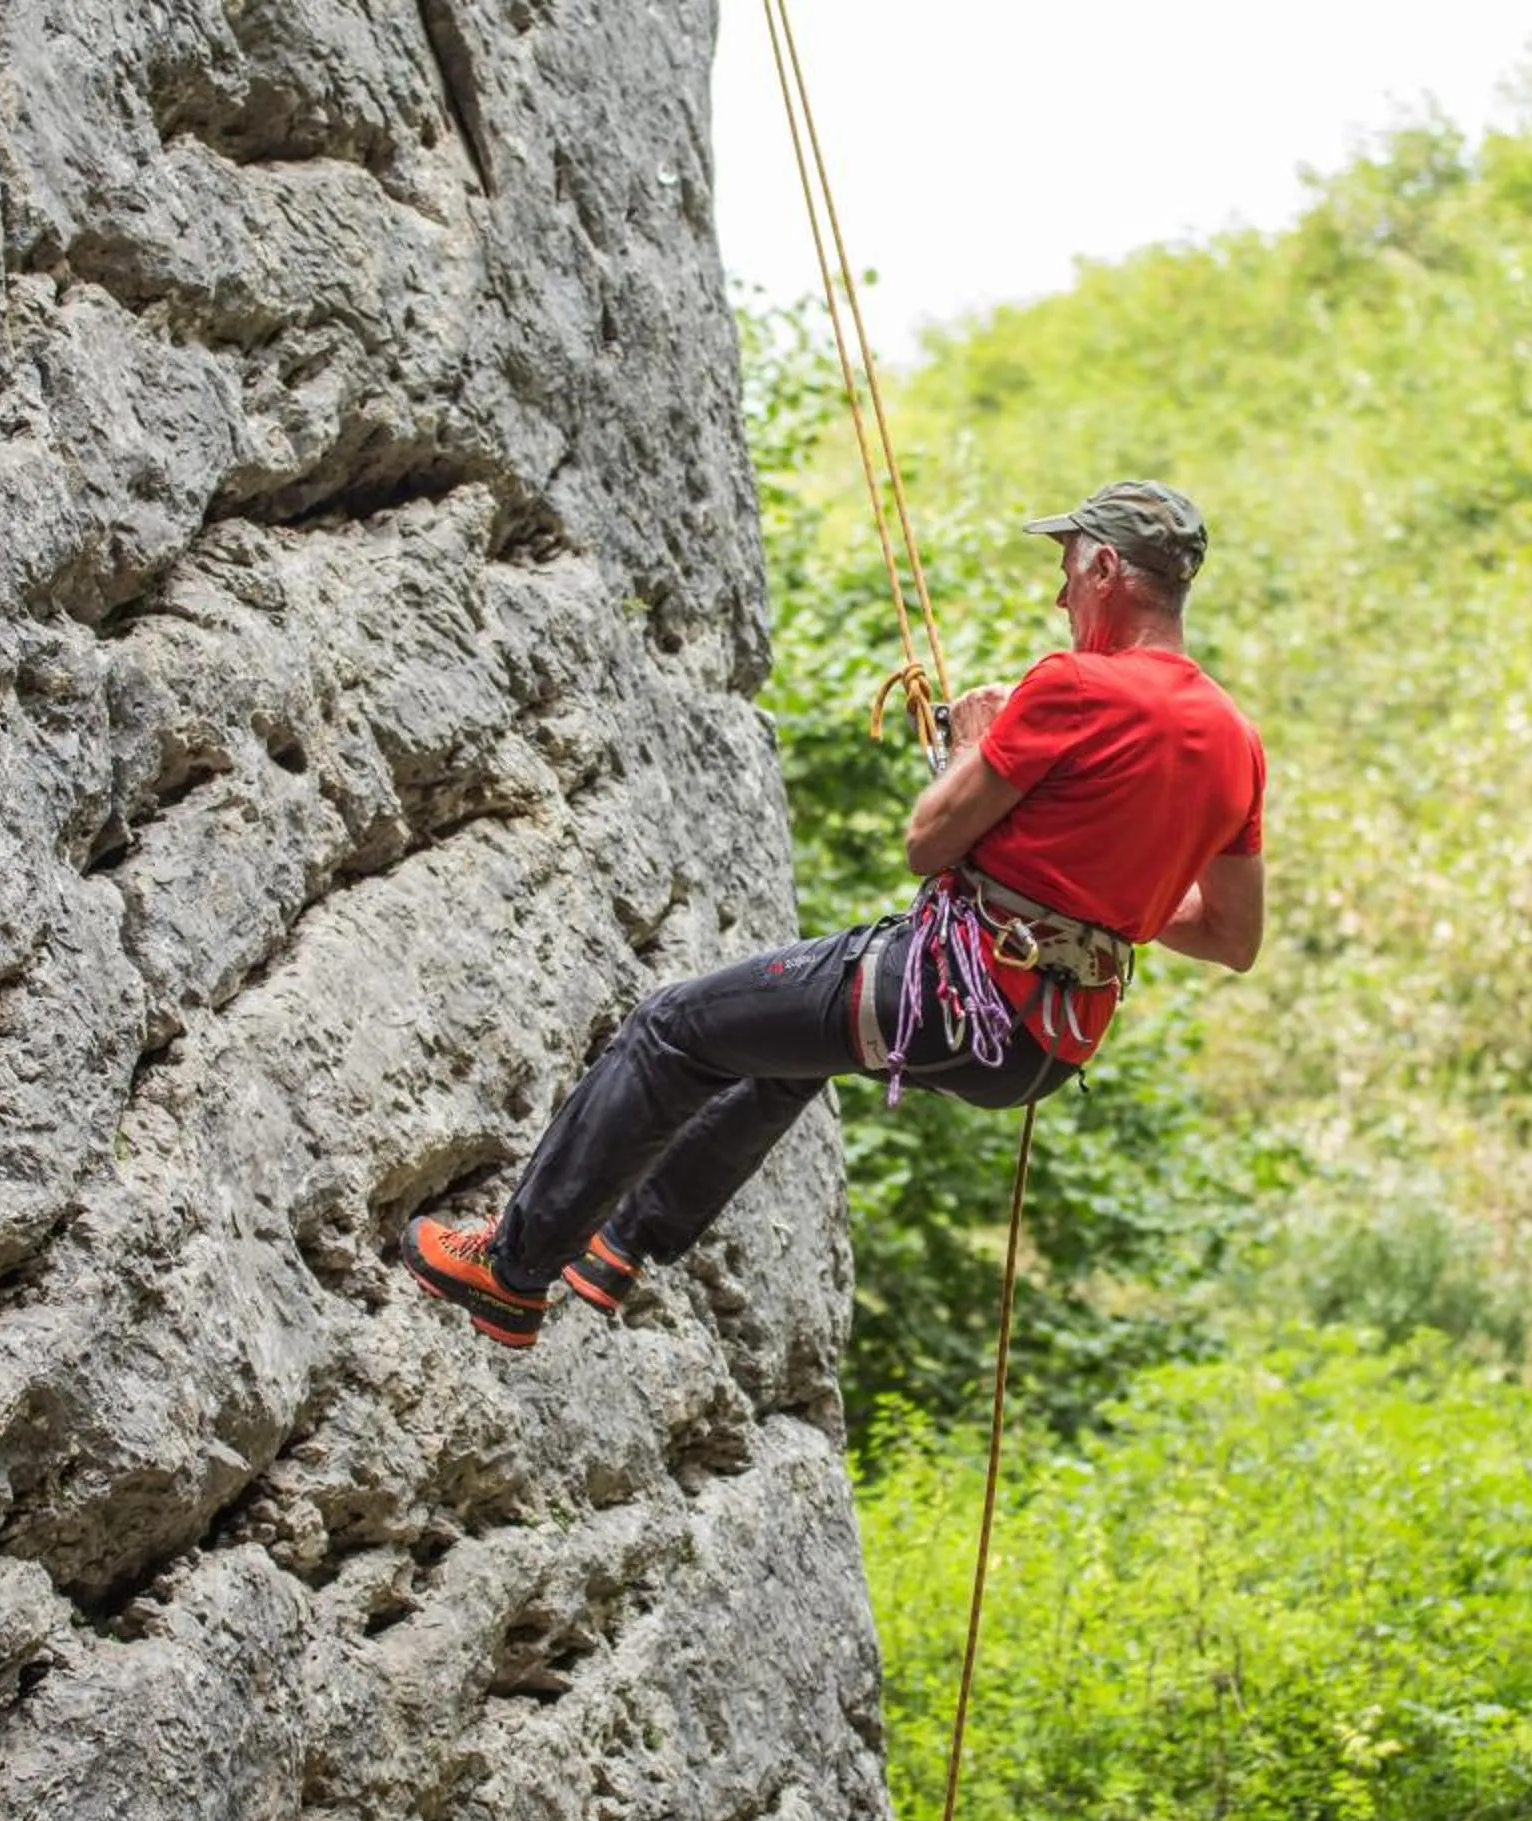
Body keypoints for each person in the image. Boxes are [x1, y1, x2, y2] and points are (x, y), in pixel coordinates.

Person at [402, 479, 1268, 1346]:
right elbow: (1232, 936)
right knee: (787, 1049)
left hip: (948, 995)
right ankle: (619, 1245)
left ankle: (511, 1271)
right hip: (1038, 1051)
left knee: (670, 1030)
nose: (1059, 595)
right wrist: (1102, 899)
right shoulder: (1236, 742)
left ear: (1108, 567)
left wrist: (971, 745)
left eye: (1068, 571)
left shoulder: (1074, 686)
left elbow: (929, 842)